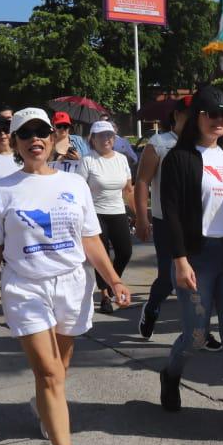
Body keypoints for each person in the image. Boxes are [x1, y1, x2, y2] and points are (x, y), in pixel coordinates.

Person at [0, 107, 131, 445]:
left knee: (59, 372)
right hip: (25, 287)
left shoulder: (74, 184)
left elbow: (91, 239)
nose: (35, 140)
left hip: (72, 286)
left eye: (41, 132)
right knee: (49, 374)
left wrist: (113, 279)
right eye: (25, 134)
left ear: (52, 136)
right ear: (14, 142)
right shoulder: (2, 189)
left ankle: (44, 405)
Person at [158, 87, 223, 442]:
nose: (219, 121)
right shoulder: (179, 158)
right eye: (212, 114)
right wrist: (180, 260)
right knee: (196, 336)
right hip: (198, 257)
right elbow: (170, 213)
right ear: (197, 116)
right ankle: (171, 374)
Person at [132, 98, 190, 338]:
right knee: (168, 278)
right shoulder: (160, 144)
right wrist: (142, 217)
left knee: (200, 278)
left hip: (196, 222)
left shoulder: (204, 144)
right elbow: (143, 181)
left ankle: (198, 328)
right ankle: (153, 307)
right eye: (189, 113)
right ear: (177, 115)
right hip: (166, 221)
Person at [79, 119, 134, 315]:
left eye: (109, 135)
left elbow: (128, 189)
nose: (106, 139)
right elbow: (80, 190)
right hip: (95, 214)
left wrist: (138, 213)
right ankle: (104, 295)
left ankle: (112, 284)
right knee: (101, 257)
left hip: (117, 211)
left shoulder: (121, 159)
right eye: (101, 136)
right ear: (92, 139)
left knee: (125, 252)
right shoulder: (88, 160)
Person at [49, 111, 85, 176]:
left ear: (69, 127)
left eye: (65, 126)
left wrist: (79, 159)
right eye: (59, 126)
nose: (62, 129)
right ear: (53, 126)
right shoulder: (47, 142)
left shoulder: (78, 140)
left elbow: (89, 164)